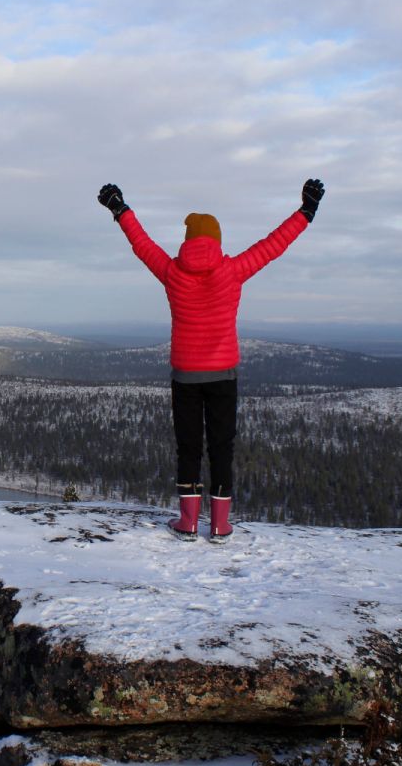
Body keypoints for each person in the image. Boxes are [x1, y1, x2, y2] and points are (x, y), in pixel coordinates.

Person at [97, 178, 325, 544]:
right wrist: (306, 212)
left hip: (185, 375)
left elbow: (141, 244)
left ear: (187, 241)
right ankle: (220, 525)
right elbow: (273, 245)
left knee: (188, 447)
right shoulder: (232, 271)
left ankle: (188, 522)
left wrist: (120, 209)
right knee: (222, 447)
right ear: (217, 240)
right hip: (223, 375)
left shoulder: (172, 273)